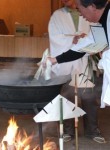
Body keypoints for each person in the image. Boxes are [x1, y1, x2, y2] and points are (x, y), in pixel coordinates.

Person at [48, 0, 106, 144]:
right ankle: (68, 131)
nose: (64, 0)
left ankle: (92, 130)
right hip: (66, 62)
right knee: (66, 96)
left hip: (84, 61)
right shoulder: (57, 15)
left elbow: (96, 32)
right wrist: (72, 39)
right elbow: (54, 37)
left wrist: (85, 40)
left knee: (89, 97)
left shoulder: (91, 12)